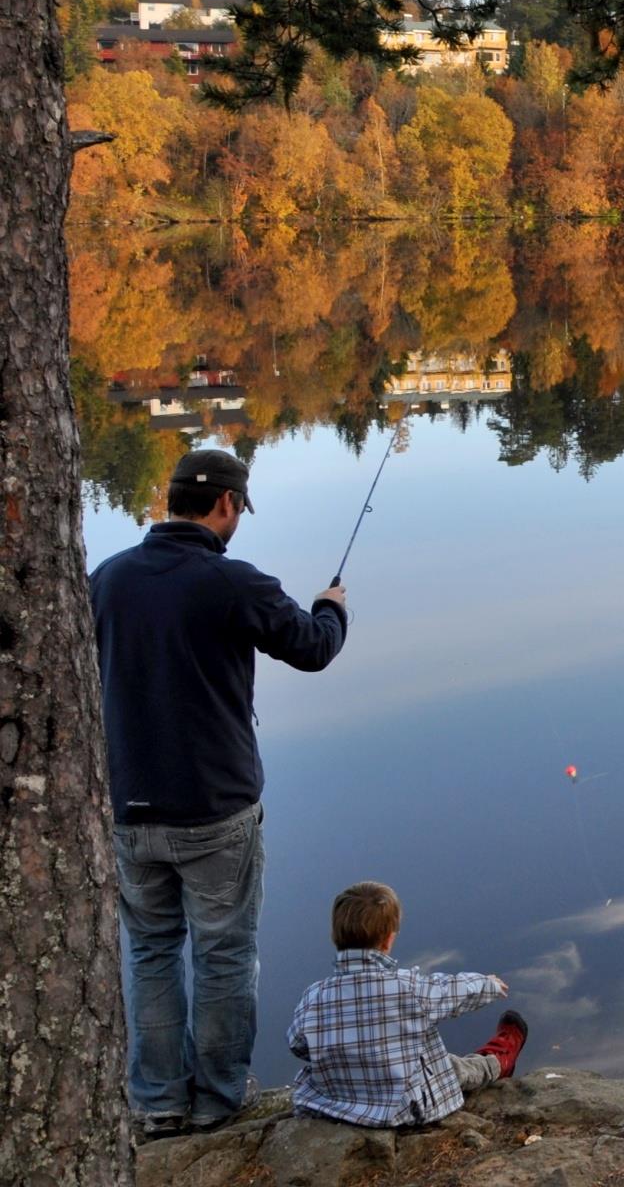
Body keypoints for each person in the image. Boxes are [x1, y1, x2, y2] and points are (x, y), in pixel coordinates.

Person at [90, 448, 350, 1137]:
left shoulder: (106, 579)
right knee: (224, 953)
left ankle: (157, 1101)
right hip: (214, 807)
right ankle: (218, 1098)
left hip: (126, 804)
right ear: (227, 506)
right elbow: (313, 648)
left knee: (149, 952)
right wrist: (332, 609)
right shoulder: (232, 581)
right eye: (239, 510)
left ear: (169, 499)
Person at [289, 882, 529, 1126]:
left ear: (335, 936)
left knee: (416, 1059)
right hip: (406, 1108)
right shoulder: (407, 987)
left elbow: (298, 1044)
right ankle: (498, 1061)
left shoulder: (314, 996)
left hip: (339, 1102)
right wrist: (487, 984)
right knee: (450, 1068)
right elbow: (452, 992)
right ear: (388, 940)